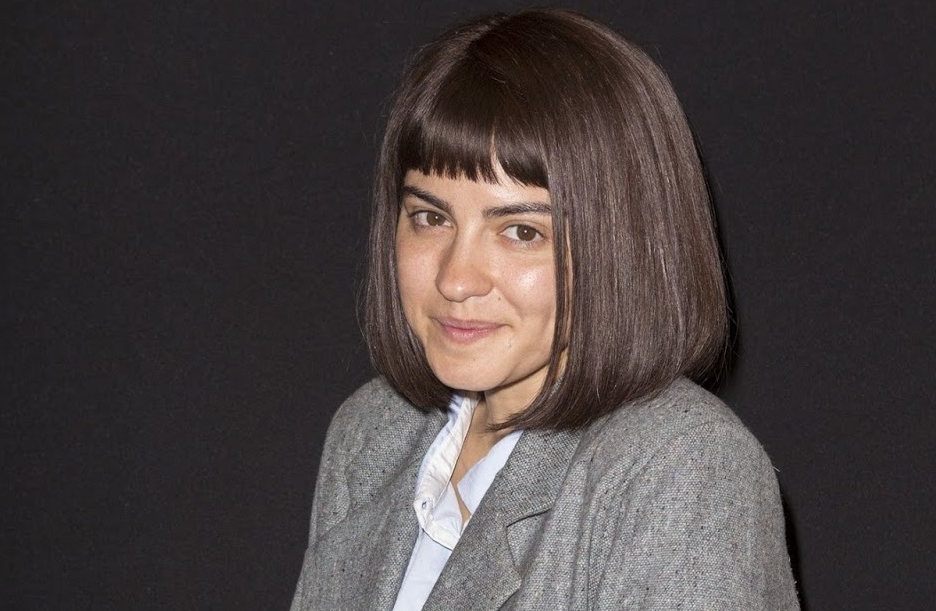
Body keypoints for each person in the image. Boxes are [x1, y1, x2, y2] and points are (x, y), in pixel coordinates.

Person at [291, 8, 799, 611]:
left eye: (522, 232)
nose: (456, 279)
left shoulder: (683, 471)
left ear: (624, 246)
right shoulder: (371, 432)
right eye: (430, 217)